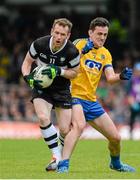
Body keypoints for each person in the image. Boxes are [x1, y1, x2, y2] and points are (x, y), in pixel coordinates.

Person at [56, 17, 135, 173]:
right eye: (99, 34)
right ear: (90, 33)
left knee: (116, 138)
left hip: (91, 101)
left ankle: (115, 164)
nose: (102, 38)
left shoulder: (105, 54)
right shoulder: (79, 43)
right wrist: (84, 50)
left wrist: (121, 76)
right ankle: (63, 164)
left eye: (105, 35)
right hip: (73, 95)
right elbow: (65, 60)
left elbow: (110, 77)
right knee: (79, 126)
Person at [21, 18, 80, 171]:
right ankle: (56, 156)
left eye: (63, 34)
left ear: (68, 35)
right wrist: (28, 78)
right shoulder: (39, 44)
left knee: (65, 130)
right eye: (57, 33)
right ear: (52, 31)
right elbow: (27, 63)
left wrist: (58, 71)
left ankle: (58, 153)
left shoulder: (72, 51)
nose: (59, 37)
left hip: (62, 89)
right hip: (42, 87)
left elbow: (74, 74)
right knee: (42, 118)